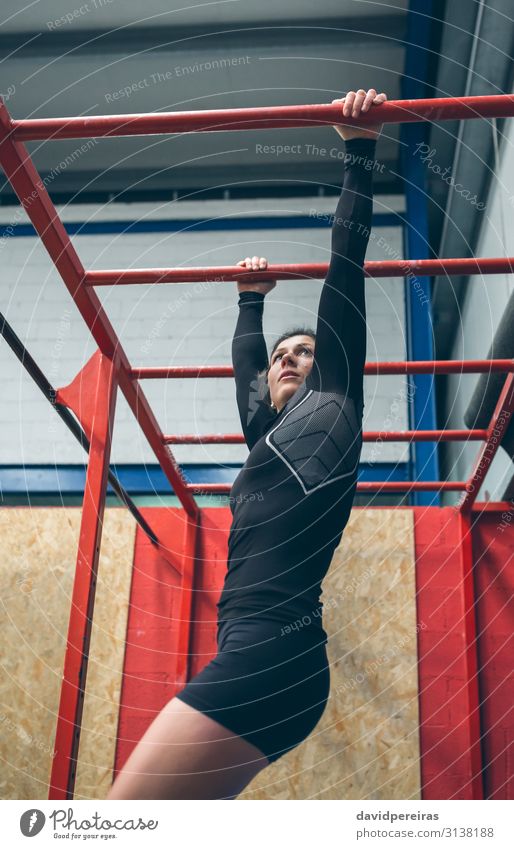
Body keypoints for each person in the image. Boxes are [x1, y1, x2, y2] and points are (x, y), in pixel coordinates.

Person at [107, 87, 387, 800]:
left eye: (304, 350)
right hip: (268, 657)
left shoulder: (336, 400)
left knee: (120, 820)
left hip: (273, 653)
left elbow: (345, 271)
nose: (289, 358)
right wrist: (249, 301)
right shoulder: (270, 436)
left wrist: (357, 150)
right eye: (281, 354)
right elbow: (247, 381)